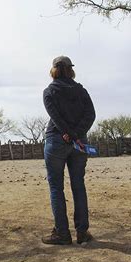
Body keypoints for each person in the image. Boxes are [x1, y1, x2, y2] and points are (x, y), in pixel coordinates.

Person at [42, 55, 96, 245]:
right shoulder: (81, 91)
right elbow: (91, 114)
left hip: (57, 141)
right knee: (78, 185)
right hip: (79, 144)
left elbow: (54, 115)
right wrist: (77, 134)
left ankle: (62, 234)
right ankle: (82, 233)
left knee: (56, 187)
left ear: (54, 70)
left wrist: (67, 133)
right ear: (70, 69)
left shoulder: (49, 91)